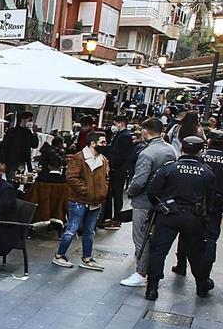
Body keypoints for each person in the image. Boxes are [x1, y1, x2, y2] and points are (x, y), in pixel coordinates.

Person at [143, 136, 216, 301]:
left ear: (181, 149)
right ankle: (201, 285)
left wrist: (160, 207)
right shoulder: (207, 172)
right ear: (200, 150)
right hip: (193, 217)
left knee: (158, 251)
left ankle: (152, 288)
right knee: (196, 253)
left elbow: (152, 190)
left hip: (168, 215)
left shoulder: (169, 168)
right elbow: (211, 198)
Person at [120, 118, 179, 288]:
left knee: (141, 237)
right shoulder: (171, 150)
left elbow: (139, 181)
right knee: (152, 237)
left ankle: (140, 272)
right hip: (163, 201)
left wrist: (130, 192)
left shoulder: (147, 153)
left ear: (146, 131)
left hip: (144, 200)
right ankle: (145, 270)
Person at [179, 130, 223, 278]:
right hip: (215, 205)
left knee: (185, 233)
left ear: (209, 142)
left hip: (193, 202)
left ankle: (181, 264)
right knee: (211, 237)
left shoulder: (199, 157)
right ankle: (205, 271)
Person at [53, 132, 110, 271]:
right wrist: (87, 191)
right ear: (93, 143)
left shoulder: (103, 159)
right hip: (79, 200)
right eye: (102, 142)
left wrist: (102, 191)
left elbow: (106, 178)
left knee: (89, 231)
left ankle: (87, 258)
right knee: (72, 229)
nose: (105, 145)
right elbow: (71, 178)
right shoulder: (79, 158)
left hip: (95, 201)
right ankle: (59, 255)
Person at [101, 117, 134, 229]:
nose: (113, 126)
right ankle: (111, 217)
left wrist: (112, 166)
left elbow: (119, 155)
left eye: (115, 124)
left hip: (118, 170)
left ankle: (117, 218)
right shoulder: (121, 135)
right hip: (118, 169)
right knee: (113, 194)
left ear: (121, 124)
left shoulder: (124, 136)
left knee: (117, 194)